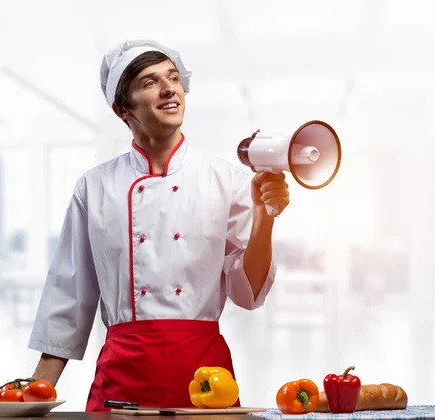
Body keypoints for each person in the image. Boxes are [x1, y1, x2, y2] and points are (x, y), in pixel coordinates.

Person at [27, 39, 290, 411]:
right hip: (122, 378)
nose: (170, 88)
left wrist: (264, 220)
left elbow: (248, 294)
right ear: (122, 109)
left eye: (173, 78)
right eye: (150, 82)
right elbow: (70, 294)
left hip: (207, 380)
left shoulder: (225, 179)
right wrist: (33, 395)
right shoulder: (95, 185)